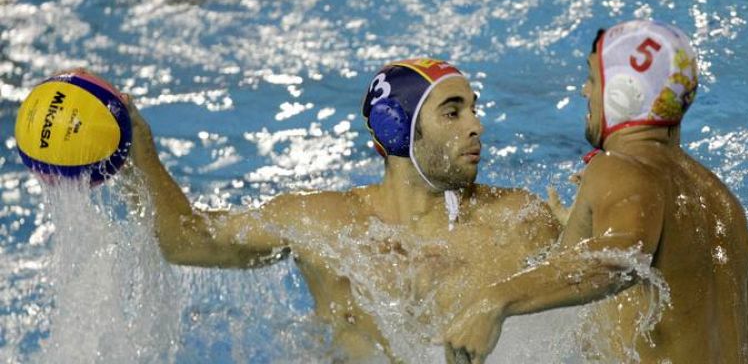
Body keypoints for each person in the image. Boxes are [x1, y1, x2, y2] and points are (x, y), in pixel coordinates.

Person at [128, 58, 561, 362]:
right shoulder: (323, 222)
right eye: (453, 112)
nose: (476, 125)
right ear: (397, 128)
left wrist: (580, 233)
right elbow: (186, 240)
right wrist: (138, 153)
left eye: (472, 108)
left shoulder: (516, 221)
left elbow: (604, 280)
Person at [445, 20, 748, 363]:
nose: (586, 92)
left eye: (592, 79)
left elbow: (620, 262)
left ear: (624, 92)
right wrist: (587, 230)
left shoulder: (622, 168)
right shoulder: (722, 200)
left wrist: (494, 301)